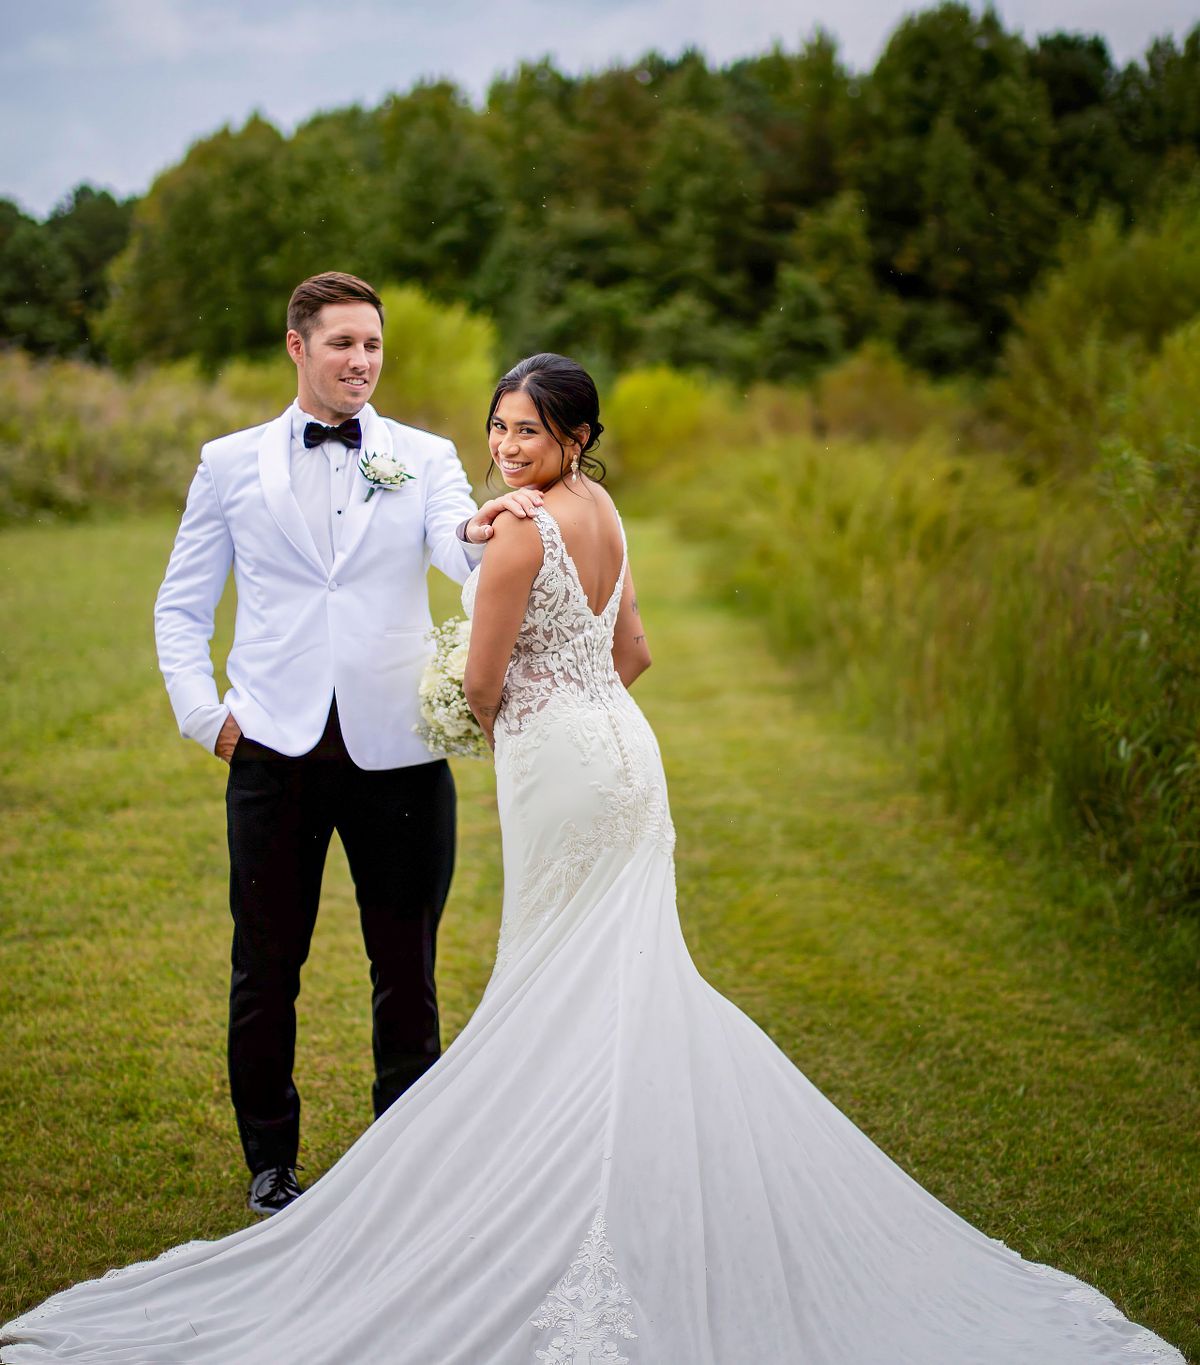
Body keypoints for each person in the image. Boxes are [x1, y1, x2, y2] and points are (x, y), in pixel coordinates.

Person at [0, 356, 1183, 1363]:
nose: (508, 447)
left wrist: (489, 711)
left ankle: (556, 1200)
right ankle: (605, 1188)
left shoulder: (518, 533)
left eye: (529, 430)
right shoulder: (605, 514)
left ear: (573, 436)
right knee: (622, 975)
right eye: (499, 429)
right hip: (625, 756)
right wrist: (564, 695)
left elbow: (478, 678)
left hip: (561, 770)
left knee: (555, 977)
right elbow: (636, 651)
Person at [149, 272, 539, 1216]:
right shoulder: (229, 462)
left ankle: (402, 1163)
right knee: (266, 965)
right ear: (298, 347)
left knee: (405, 962)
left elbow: (457, 547)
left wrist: (495, 525)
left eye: (373, 345)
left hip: (398, 752)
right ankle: (271, 1163)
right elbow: (181, 604)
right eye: (343, 344)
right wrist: (210, 718)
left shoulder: (425, 453)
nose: (362, 361)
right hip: (272, 751)